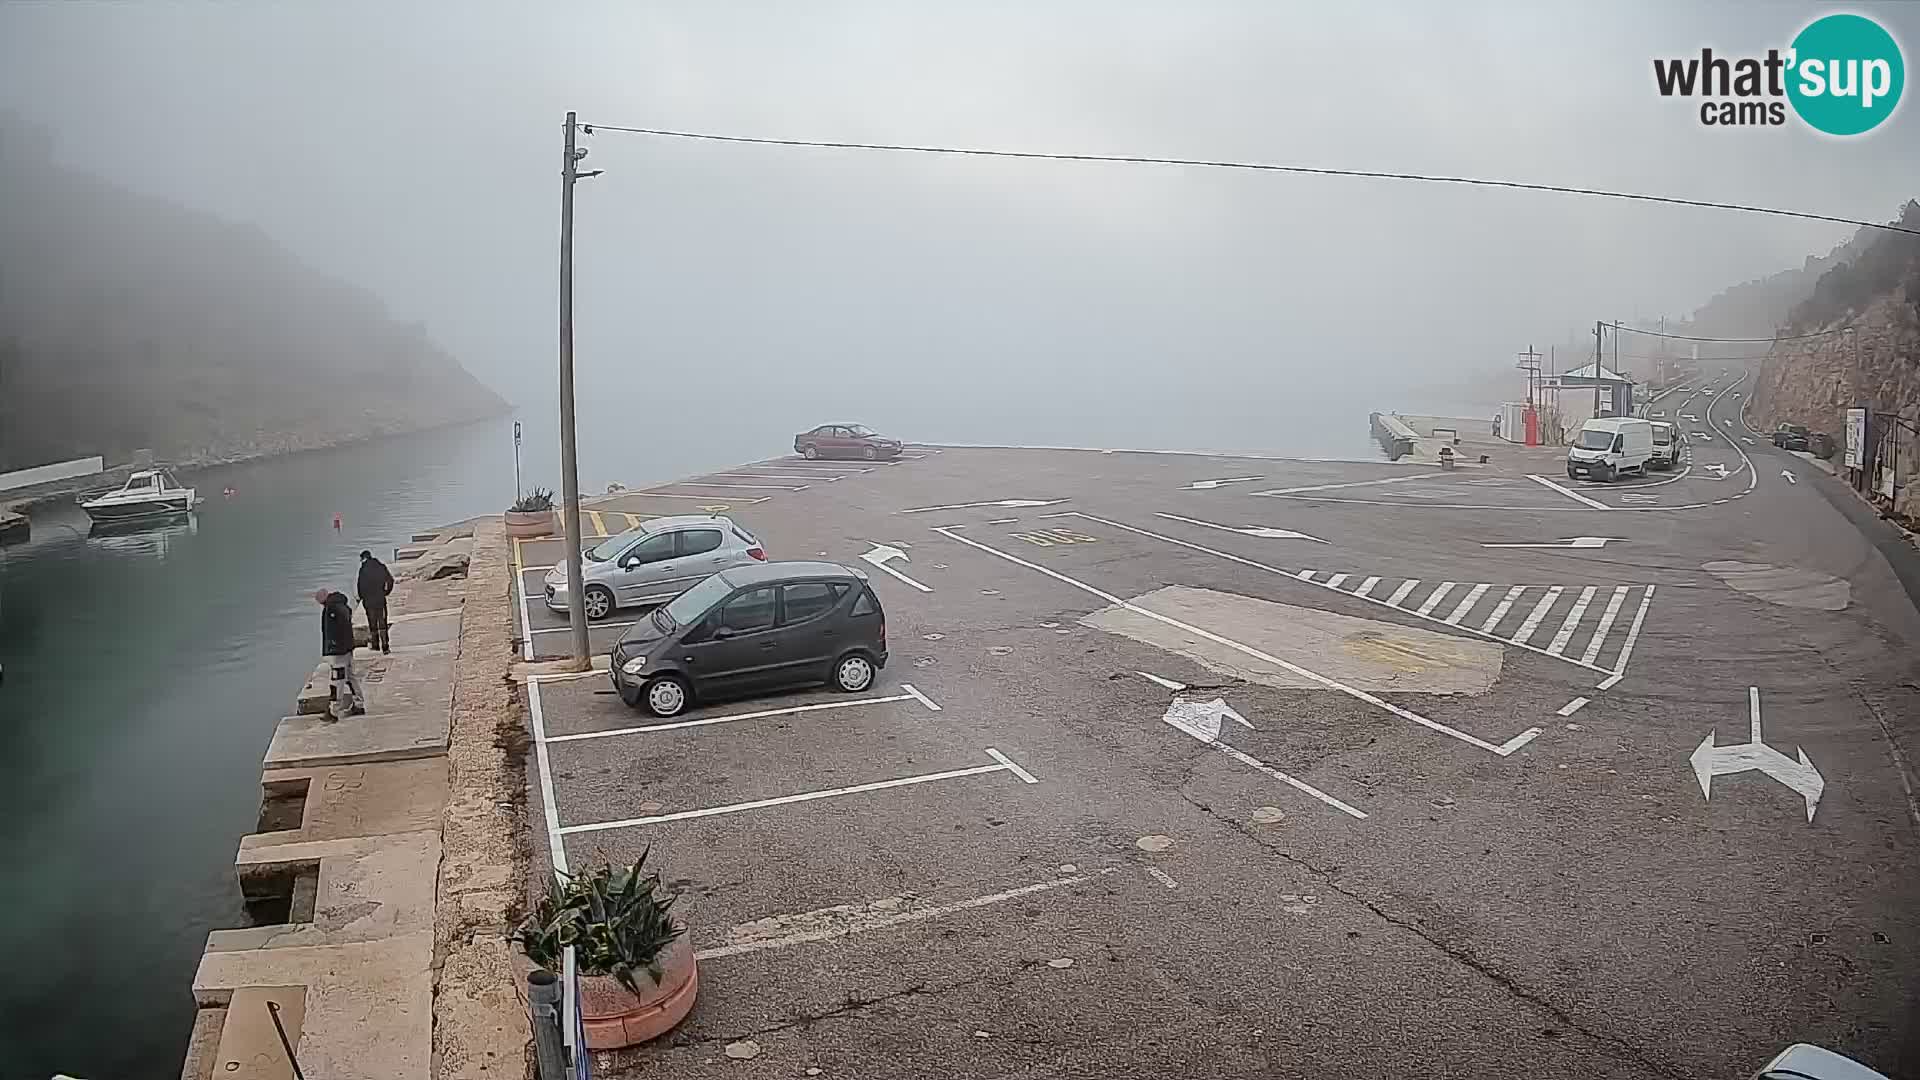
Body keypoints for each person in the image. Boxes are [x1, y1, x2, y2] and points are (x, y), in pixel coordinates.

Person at [316, 587, 365, 720]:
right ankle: (359, 704)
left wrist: (333, 646)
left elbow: (333, 631)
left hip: (337, 651)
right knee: (350, 677)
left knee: (337, 680)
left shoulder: (331, 609)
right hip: (346, 648)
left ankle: (333, 711)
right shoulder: (342, 606)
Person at [357, 549, 396, 654]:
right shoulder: (381, 567)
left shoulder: (363, 570)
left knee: (372, 623)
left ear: (363, 559)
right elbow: (390, 580)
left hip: (368, 601)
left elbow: (360, 587)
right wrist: (386, 592)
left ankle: (375, 645)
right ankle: (385, 646)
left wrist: (362, 598)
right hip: (380, 599)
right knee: (382, 622)